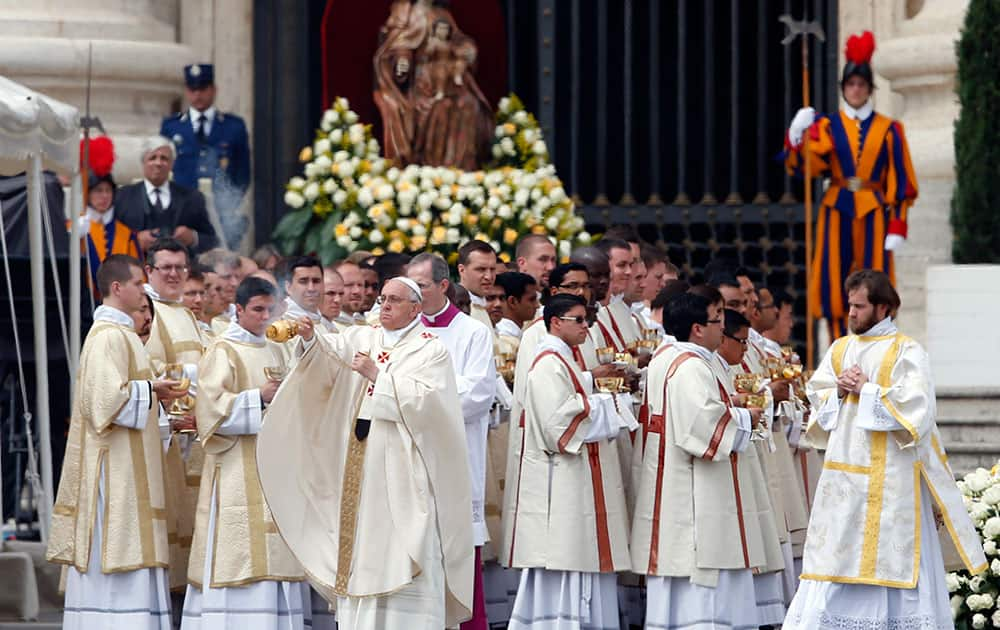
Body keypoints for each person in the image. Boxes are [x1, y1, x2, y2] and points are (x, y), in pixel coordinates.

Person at [257, 276, 474, 629]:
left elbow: (431, 406)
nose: (384, 305)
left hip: (404, 469)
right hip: (360, 466)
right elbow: (329, 357)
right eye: (383, 298)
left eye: (395, 301)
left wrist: (379, 376)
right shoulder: (363, 336)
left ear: (415, 308)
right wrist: (311, 338)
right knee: (362, 545)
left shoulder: (429, 348)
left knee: (406, 543)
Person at [785, 270, 985, 628]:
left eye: (860, 307)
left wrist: (869, 390)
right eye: (850, 305)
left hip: (894, 483)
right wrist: (841, 391)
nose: (852, 314)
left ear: (885, 308)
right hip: (844, 482)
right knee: (834, 567)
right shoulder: (840, 349)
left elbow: (919, 411)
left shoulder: (908, 351)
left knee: (894, 568)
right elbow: (817, 403)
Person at [47, 254, 186, 630]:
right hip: (116, 471)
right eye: (140, 283)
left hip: (132, 465)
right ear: (117, 288)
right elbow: (103, 403)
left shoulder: (123, 335)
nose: (145, 290)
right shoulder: (108, 336)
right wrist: (150, 388)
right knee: (117, 550)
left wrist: (157, 399)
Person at [182, 277, 308, 629]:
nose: (265, 317)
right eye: (257, 309)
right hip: (237, 467)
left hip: (275, 468)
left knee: (276, 556)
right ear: (238, 310)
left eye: (270, 309)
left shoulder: (277, 347)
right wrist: (259, 398)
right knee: (238, 553)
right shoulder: (223, 350)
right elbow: (210, 413)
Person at [631, 292, 763, 628]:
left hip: (674, 486)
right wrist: (746, 417)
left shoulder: (666, 357)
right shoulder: (691, 366)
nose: (723, 325)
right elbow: (702, 428)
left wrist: (726, 402)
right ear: (697, 328)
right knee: (703, 596)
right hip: (694, 496)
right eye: (717, 318)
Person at [506, 294, 631, 629]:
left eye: (586, 319)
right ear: (555, 322)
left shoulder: (564, 360)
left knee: (580, 552)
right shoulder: (548, 362)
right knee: (567, 554)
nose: (586, 327)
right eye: (578, 320)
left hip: (575, 478)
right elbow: (557, 426)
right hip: (560, 480)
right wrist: (606, 403)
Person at [784, 31, 918, 339]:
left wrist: (898, 223)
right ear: (844, 88)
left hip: (874, 208)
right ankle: (837, 343)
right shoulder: (827, 126)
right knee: (833, 280)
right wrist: (797, 138)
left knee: (876, 281)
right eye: (850, 84)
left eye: (861, 84)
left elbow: (901, 178)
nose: (855, 90)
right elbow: (807, 167)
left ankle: (880, 340)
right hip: (837, 206)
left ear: (869, 89)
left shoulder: (889, 129)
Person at [408, 253, 496, 630]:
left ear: (444, 286)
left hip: (456, 460)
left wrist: (415, 400)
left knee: (459, 562)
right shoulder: (402, 332)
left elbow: (478, 395)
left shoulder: (472, 332)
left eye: (421, 286)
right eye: (408, 286)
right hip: (410, 459)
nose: (413, 295)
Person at [716, 308, 787, 627]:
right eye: (740, 342)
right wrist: (751, 406)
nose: (745, 349)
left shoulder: (720, 363)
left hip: (745, 456)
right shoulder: (698, 365)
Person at [143, 238, 206, 593]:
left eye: (179, 268)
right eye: (165, 267)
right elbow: (150, 370)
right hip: (170, 431)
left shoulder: (184, 313)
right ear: (149, 271)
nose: (173, 274)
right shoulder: (147, 312)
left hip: (195, 432)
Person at [161, 63, 251, 249]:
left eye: (203, 89)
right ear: (186, 91)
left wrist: (230, 204)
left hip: (221, 214)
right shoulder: (172, 127)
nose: (198, 95)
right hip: (182, 216)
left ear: (213, 89)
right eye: (193, 89)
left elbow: (243, 174)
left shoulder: (233, 126)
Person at [116, 135, 218, 253]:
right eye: (152, 158)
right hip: (136, 267)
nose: (158, 163)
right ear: (143, 162)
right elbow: (108, 239)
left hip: (179, 268)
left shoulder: (193, 198)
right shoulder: (122, 197)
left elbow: (213, 241)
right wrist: (135, 241)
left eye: (164, 158)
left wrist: (193, 237)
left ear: (172, 164)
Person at [77, 136, 142, 298]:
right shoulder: (72, 226)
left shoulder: (126, 233)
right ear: (88, 193)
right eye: (98, 191)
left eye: (108, 191)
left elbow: (139, 276)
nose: (104, 196)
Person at [457, 240, 499, 330]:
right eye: (481, 269)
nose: (489, 276)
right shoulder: (455, 309)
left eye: (492, 269)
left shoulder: (483, 305)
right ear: (462, 270)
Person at [198, 249, 242, 334]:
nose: (234, 283)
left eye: (237, 277)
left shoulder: (242, 316)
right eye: (226, 277)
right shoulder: (191, 319)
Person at [494, 272, 538, 340]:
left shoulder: (514, 334)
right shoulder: (505, 338)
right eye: (532, 299)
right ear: (513, 302)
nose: (537, 305)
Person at [332, 260, 368, 326]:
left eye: (360, 285)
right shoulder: (322, 327)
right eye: (349, 285)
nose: (357, 291)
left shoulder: (366, 323)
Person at [181, 265, 211, 339]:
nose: (199, 300)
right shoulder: (170, 331)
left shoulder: (211, 332)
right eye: (191, 293)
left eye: (202, 293)